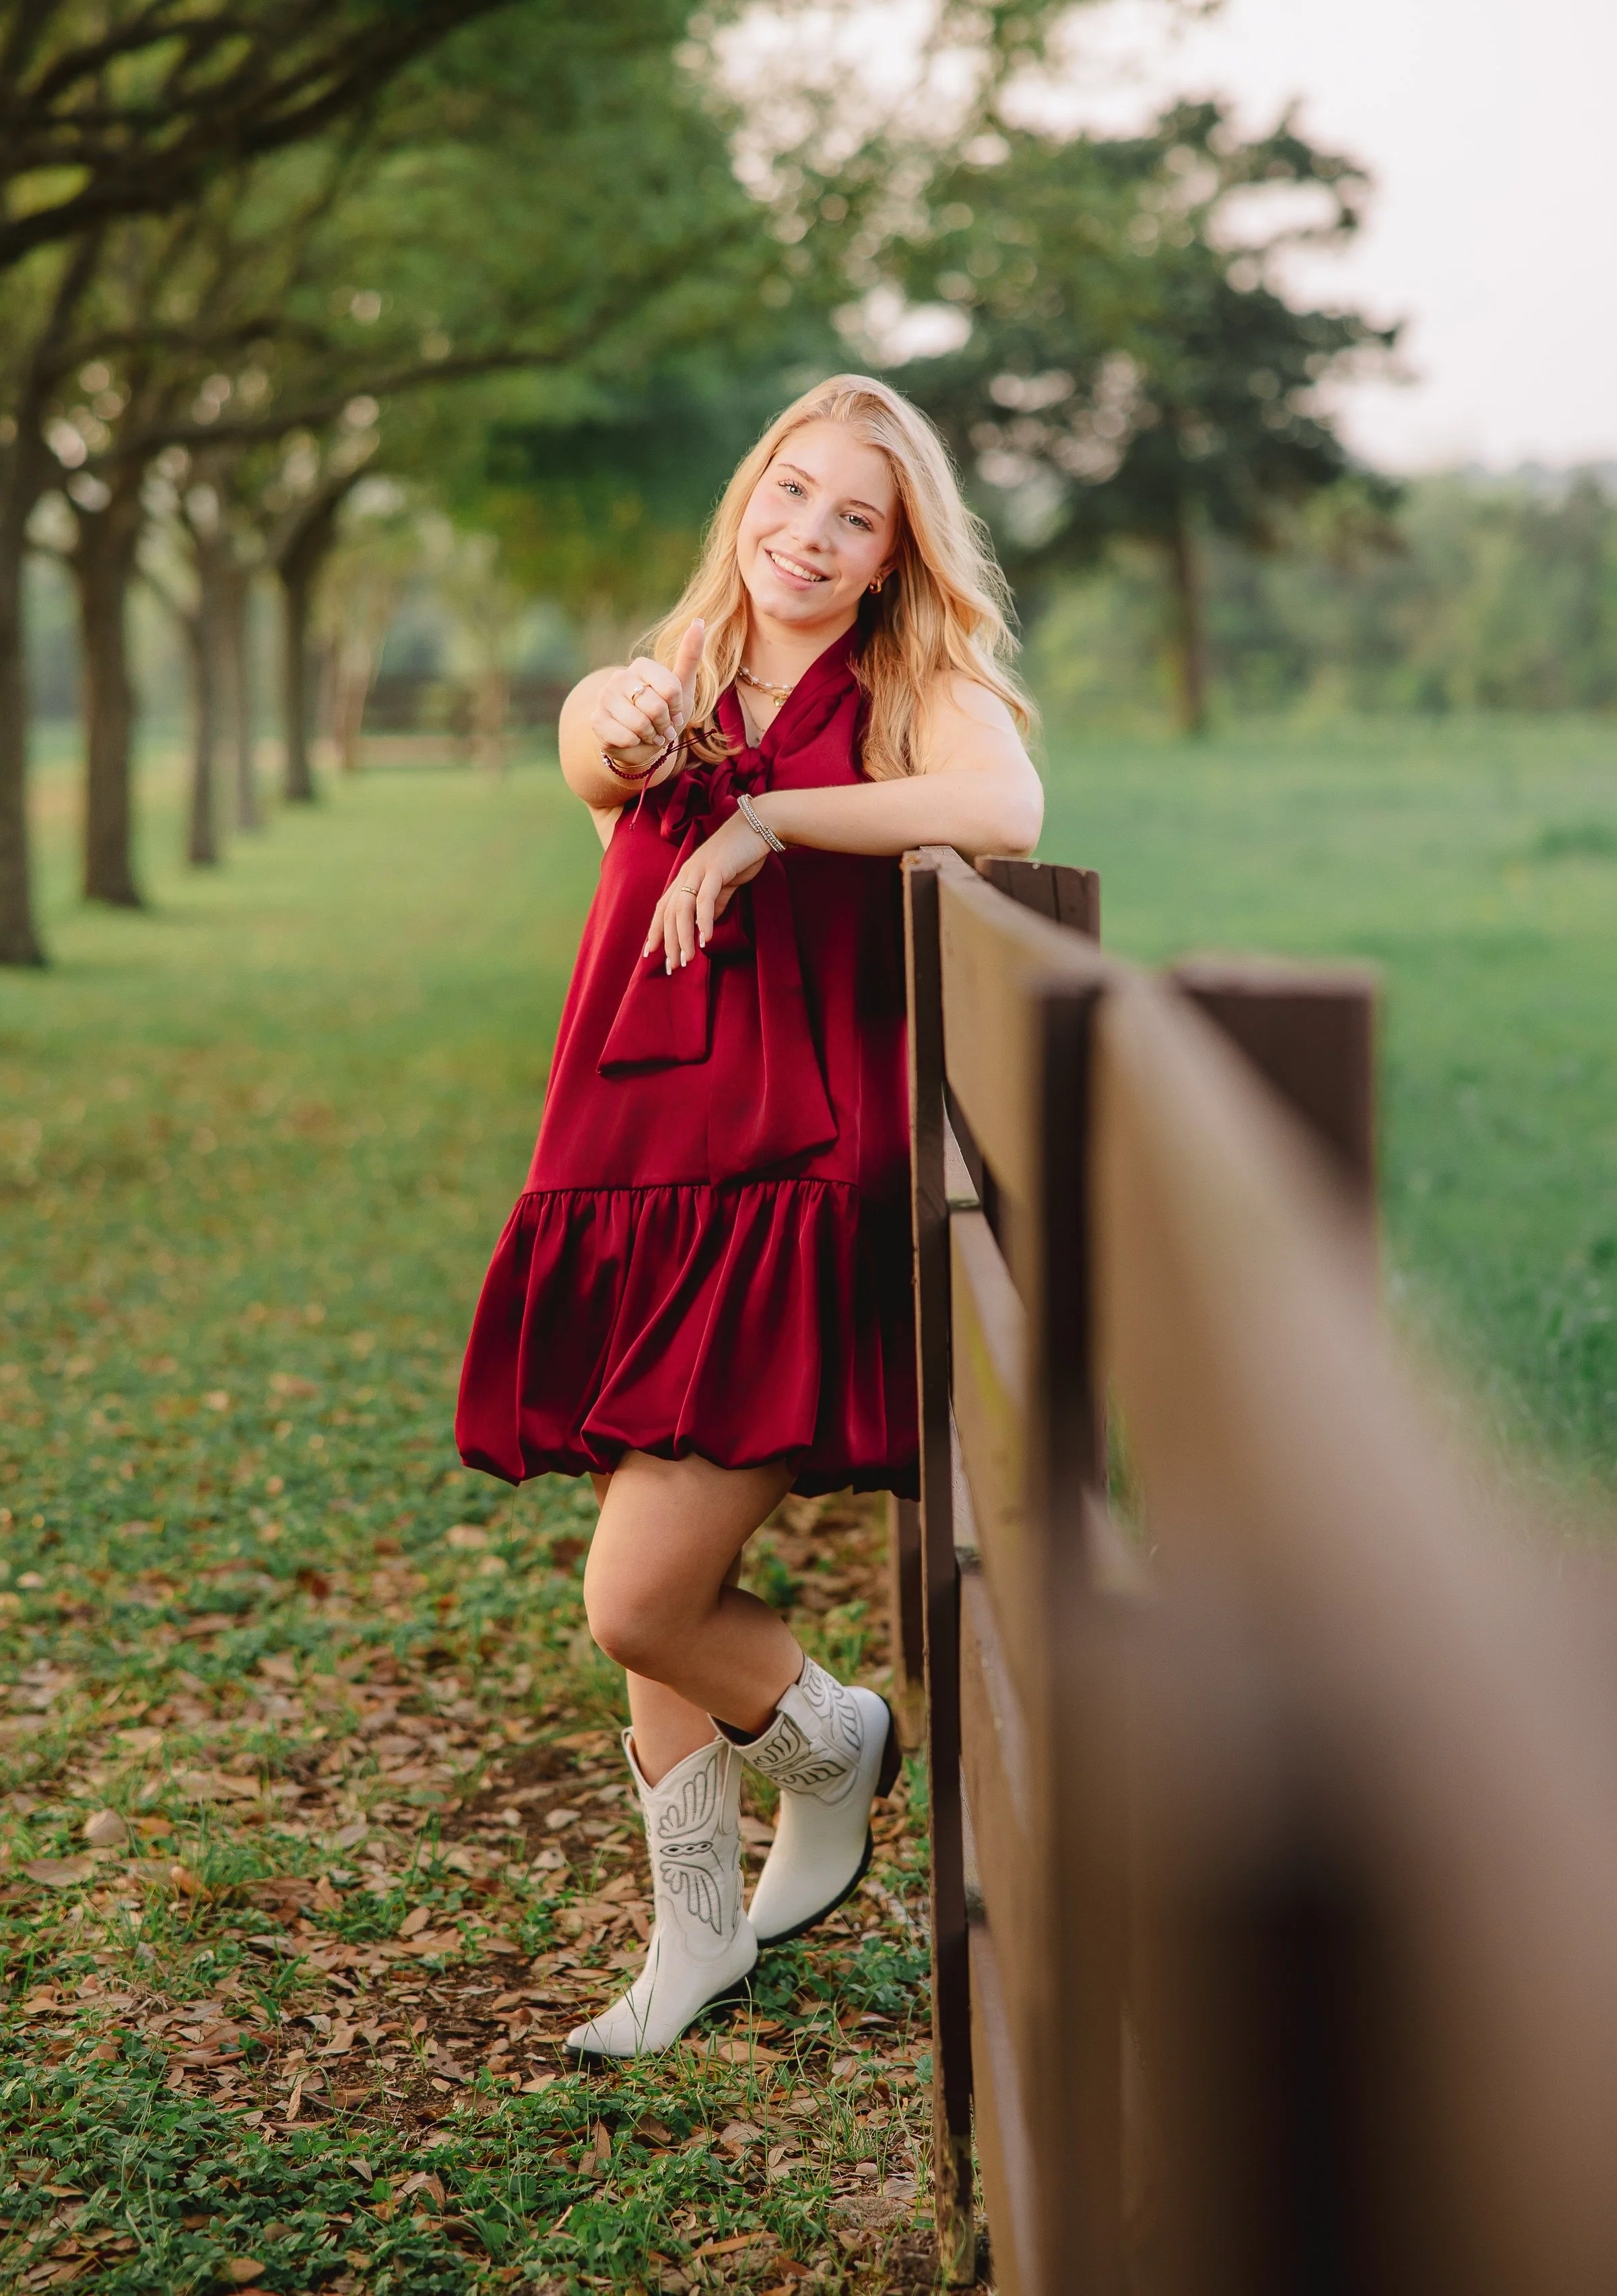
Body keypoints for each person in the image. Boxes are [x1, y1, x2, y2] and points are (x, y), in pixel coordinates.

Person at [456, 374, 1043, 2056]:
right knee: (641, 1562)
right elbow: (590, 744)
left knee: (637, 1600)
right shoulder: (665, 684)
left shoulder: (908, 688)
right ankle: (695, 1931)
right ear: (745, 499)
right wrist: (621, 720)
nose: (806, 534)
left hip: (785, 1196)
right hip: (630, 1178)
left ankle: (832, 1741)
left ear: (887, 557)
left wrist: (775, 821)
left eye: (853, 517)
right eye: (788, 494)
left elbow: (1005, 813)